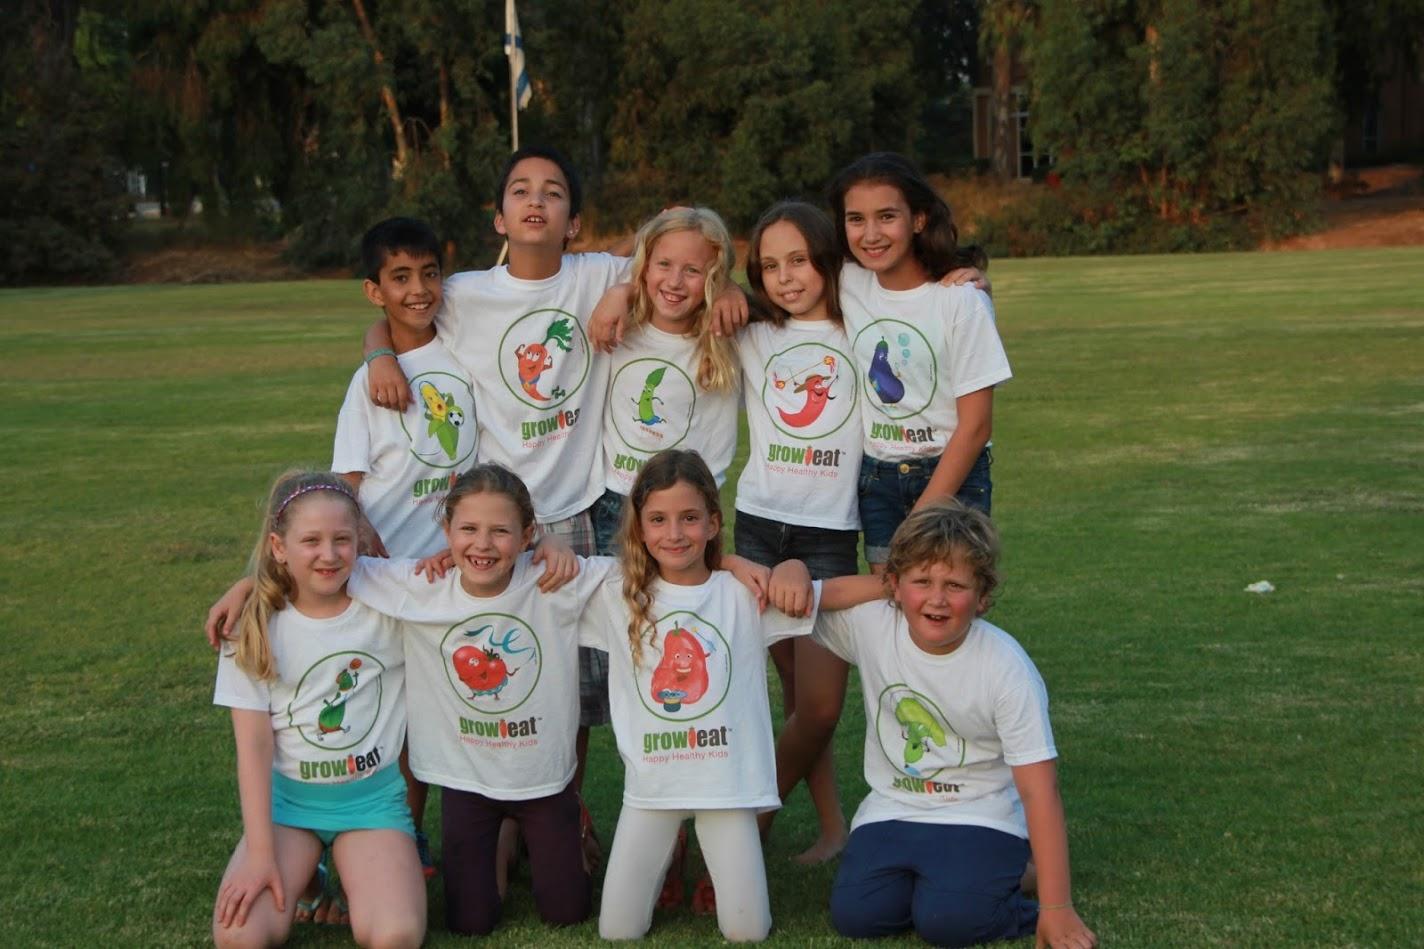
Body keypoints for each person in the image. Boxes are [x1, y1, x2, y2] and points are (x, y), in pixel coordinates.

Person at [361, 147, 747, 859]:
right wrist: (377, 351)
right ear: (498, 216)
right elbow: (399, 310)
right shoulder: (466, 292)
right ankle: (499, 819)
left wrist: (702, 288)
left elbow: (678, 244)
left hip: (581, 507)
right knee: (502, 667)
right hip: (495, 519)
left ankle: (562, 814)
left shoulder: (598, 274)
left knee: (574, 683)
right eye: (520, 190)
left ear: (573, 223)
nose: (535, 201)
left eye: (553, 191)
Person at [814, 501, 1096, 949]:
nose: (937, 599)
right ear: (893, 585)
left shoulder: (1005, 667)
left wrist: (1057, 907)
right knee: (857, 915)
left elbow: (1039, 789)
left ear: (982, 597)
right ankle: (967, 878)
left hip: (980, 811)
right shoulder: (872, 625)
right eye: (922, 581)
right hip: (894, 806)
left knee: (949, 922)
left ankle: (1021, 872)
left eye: (955, 585)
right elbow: (793, 602)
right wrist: (792, 572)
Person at [346, 464, 606, 936]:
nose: (482, 545)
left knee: (567, 912)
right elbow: (330, 567)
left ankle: (560, 826)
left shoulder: (553, 581)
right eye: (468, 529)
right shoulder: (422, 587)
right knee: (470, 922)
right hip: (467, 782)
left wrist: (728, 566)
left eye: (500, 531)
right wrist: (250, 587)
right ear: (446, 530)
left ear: (527, 534)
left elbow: (648, 575)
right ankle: (505, 837)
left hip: (543, 781)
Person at [578, 449, 824, 941]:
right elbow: (524, 574)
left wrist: (795, 566)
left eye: (689, 518)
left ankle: (702, 858)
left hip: (725, 789)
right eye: (658, 520)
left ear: (713, 522)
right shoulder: (614, 591)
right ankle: (671, 855)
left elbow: (829, 594)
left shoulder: (744, 593)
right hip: (653, 788)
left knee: (746, 931)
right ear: (640, 527)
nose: (674, 533)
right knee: (618, 931)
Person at [210, 471, 424, 949]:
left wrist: (548, 547)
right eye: (311, 541)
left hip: (372, 804)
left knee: (394, 935)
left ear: (359, 540)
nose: (328, 554)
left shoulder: (390, 604)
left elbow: (462, 575)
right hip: (289, 808)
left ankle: (355, 877)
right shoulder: (253, 624)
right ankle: (309, 881)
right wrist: (260, 855)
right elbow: (254, 746)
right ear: (278, 547)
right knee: (239, 937)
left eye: (341, 540)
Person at [333, 215, 477, 886]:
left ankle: (431, 834)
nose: (419, 289)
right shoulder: (367, 384)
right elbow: (347, 485)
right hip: (388, 575)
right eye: (400, 277)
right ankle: (381, 839)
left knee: (438, 717)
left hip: (458, 571)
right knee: (383, 717)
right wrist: (364, 540)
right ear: (375, 291)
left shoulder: (466, 349)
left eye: (429, 273)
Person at [733, 201, 862, 864]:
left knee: (818, 706)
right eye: (769, 265)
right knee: (792, 697)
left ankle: (753, 817)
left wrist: (965, 276)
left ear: (827, 259)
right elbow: (668, 280)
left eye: (799, 260)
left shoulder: (860, 324)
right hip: (759, 527)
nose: (785, 277)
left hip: (829, 535)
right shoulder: (754, 331)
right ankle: (834, 828)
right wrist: (722, 290)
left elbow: (925, 299)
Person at [827, 152, 1011, 568]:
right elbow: (778, 272)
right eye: (856, 219)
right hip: (879, 477)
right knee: (890, 595)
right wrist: (728, 291)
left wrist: (921, 517)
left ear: (919, 220)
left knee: (945, 595)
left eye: (887, 216)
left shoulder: (961, 300)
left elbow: (976, 426)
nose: (870, 234)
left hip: (954, 473)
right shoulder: (846, 280)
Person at [589, 207, 741, 556]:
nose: (674, 281)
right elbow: (595, 265)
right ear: (643, 267)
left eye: (692, 271)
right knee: (619, 593)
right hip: (618, 503)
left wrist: (730, 287)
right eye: (664, 265)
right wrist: (621, 291)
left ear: (713, 277)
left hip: (690, 510)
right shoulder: (617, 328)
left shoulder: (729, 336)